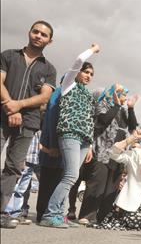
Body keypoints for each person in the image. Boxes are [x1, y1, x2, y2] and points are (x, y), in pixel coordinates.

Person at [0, 20, 56, 229]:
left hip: (29, 122)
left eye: (44, 34)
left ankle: (1, 211)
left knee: (14, 167)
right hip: (2, 114)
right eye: (36, 32)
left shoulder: (49, 69)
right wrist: (9, 107)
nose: (38, 36)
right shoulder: (8, 55)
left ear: (50, 41)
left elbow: (44, 97)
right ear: (29, 32)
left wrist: (18, 106)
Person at [39, 44, 100, 228]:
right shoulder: (69, 85)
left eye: (91, 74)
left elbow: (89, 120)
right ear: (78, 72)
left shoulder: (88, 95)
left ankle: (59, 214)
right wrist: (93, 50)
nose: (88, 76)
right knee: (71, 175)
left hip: (84, 139)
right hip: (69, 134)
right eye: (86, 72)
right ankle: (50, 214)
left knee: (69, 176)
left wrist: (90, 145)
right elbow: (78, 61)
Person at [77, 83, 138, 225]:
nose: (124, 96)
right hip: (102, 151)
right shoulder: (102, 104)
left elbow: (133, 126)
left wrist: (131, 108)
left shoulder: (122, 110)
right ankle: (87, 215)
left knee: (112, 186)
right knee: (97, 183)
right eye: (121, 93)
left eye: (124, 93)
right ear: (112, 93)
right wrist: (115, 106)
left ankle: (102, 218)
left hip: (117, 153)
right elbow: (103, 121)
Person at [96, 133, 141, 232]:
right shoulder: (136, 156)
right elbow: (114, 153)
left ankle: (128, 223)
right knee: (132, 219)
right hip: (130, 206)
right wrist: (131, 139)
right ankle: (124, 220)